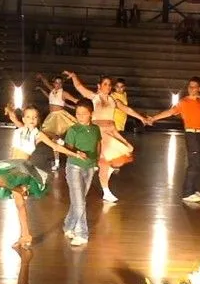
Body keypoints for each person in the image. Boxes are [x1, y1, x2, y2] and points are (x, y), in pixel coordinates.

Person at [0, 104, 87, 249]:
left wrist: (76, 153)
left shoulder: (37, 134)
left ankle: (21, 191)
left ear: (38, 120)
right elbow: (13, 117)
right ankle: (25, 235)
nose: (32, 120)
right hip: (10, 166)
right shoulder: (20, 128)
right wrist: (10, 111)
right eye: (28, 117)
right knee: (19, 205)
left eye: (35, 117)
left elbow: (55, 147)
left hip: (22, 168)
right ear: (24, 119)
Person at [63, 71, 150, 202]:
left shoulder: (113, 100)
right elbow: (79, 87)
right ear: (99, 86)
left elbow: (127, 109)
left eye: (110, 85)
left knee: (126, 151)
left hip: (112, 131)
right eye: (105, 84)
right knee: (105, 162)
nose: (108, 87)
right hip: (100, 132)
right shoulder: (94, 97)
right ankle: (106, 190)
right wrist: (74, 77)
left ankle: (102, 173)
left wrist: (141, 117)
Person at [63, 98, 101, 246]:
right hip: (74, 167)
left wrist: (96, 161)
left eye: (84, 114)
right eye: (78, 114)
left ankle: (68, 225)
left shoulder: (95, 129)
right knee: (79, 202)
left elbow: (98, 144)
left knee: (79, 200)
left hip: (90, 167)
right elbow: (67, 149)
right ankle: (81, 233)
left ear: (91, 113)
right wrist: (77, 153)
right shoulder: (73, 130)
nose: (80, 116)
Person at [36, 73, 79, 170]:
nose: (58, 85)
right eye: (56, 83)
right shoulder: (52, 91)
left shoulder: (63, 93)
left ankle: (57, 162)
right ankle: (58, 157)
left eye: (60, 83)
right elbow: (47, 85)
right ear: (54, 83)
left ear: (62, 84)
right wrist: (41, 78)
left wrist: (82, 104)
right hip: (52, 116)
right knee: (44, 132)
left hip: (60, 116)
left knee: (54, 140)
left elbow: (75, 100)